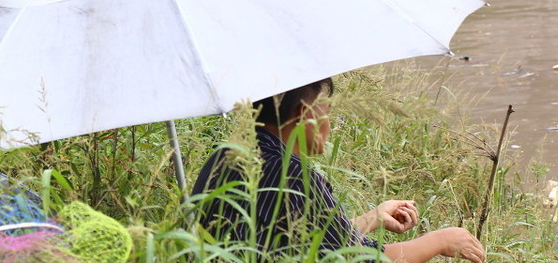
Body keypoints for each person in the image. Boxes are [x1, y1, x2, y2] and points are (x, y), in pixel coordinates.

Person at [192, 78, 485, 263]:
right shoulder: (293, 176)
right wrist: (441, 239)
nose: (329, 125)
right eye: (327, 113)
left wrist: (372, 218)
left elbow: (294, 240)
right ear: (303, 115)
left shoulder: (229, 153)